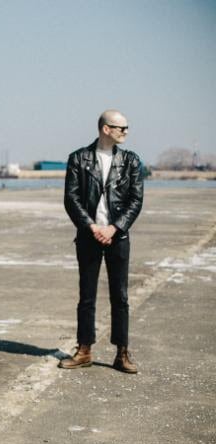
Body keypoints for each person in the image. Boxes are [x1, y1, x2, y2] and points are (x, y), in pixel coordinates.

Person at [61, 109, 144, 372]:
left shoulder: (131, 161)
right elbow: (71, 198)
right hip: (89, 236)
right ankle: (84, 350)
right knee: (86, 296)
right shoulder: (79, 158)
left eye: (127, 127)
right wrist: (92, 226)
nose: (126, 132)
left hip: (118, 236)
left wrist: (114, 228)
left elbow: (136, 200)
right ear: (106, 129)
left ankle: (122, 353)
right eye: (121, 128)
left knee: (120, 297)